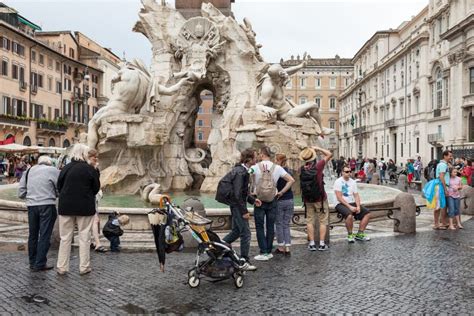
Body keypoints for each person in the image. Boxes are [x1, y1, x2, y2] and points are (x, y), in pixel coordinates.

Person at [56, 144, 100, 275]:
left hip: (66, 207)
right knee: (84, 237)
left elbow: (59, 187)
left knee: (65, 238)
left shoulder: (66, 168)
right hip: (84, 207)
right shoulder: (89, 169)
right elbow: (96, 188)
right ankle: (84, 267)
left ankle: (62, 267)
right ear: (84, 154)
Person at [218, 148, 261, 271]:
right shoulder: (241, 172)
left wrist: (253, 200)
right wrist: (244, 212)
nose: (257, 158)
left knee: (236, 231)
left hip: (237, 205)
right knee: (246, 233)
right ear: (249, 159)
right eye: (255, 156)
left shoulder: (242, 171)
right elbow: (237, 195)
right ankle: (244, 260)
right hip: (238, 206)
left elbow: (242, 192)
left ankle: (218, 247)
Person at [250, 146, 295, 261]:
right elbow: (291, 180)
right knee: (270, 226)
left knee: (260, 226)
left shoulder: (254, 167)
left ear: (261, 154)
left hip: (258, 199)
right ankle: (269, 250)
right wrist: (281, 192)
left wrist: (250, 190)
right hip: (273, 199)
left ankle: (263, 251)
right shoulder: (278, 168)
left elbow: (246, 174)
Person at [18, 156, 60, 271]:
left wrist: (32, 196)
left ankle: (32, 262)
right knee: (45, 235)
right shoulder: (53, 170)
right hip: (47, 205)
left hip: (32, 206)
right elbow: (60, 189)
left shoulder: (28, 171)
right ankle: (40, 263)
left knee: (33, 234)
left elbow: (21, 192)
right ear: (49, 163)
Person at [299, 146, 333, 251]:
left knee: (309, 221)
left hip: (307, 200)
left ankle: (312, 244)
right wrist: (318, 148)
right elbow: (329, 154)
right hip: (320, 199)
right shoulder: (318, 166)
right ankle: (322, 244)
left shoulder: (301, 169)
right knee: (323, 220)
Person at [334, 166, 372, 242]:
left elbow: (356, 195)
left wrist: (358, 206)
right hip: (340, 203)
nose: (349, 173)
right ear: (342, 173)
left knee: (367, 213)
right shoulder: (338, 182)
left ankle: (360, 234)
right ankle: (350, 235)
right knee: (349, 215)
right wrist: (350, 207)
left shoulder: (352, 182)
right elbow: (339, 197)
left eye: (350, 171)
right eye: (347, 172)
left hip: (352, 203)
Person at [274, 153, 294, 256]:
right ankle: (288, 247)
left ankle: (281, 247)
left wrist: (281, 192)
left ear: (278, 160)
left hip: (280, 200)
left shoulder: (277, 171)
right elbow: (291, 181)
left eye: (275, 160)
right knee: (286, 224)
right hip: (290, 199)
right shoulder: (289, 170)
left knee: (279, 224)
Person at [87, 149, 107, 253]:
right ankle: (97, 243)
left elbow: (97, 183)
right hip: (89, 198)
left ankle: (92, 241)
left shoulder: (94, 168)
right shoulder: (88, 168)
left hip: (93, 197)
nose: (96, 159)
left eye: (97, 157)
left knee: (94, 220)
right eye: (94, 157)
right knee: (95, 220)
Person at [430, 150, 452, 230]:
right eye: (449, 156)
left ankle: (440, 223)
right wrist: (445, 189)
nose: (451, 157)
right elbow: (442, 177)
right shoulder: (443, 165)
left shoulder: (443, 164)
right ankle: (436, 224)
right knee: (438, 206)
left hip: (440, 186)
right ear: (445, 156)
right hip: (441, 186)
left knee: (440, 205)